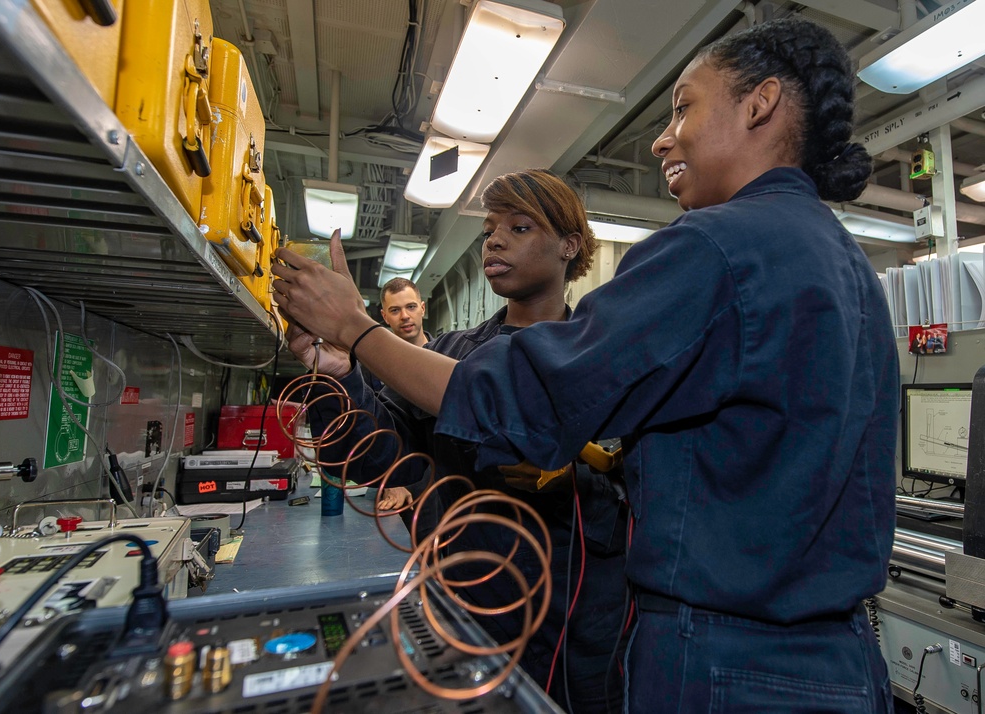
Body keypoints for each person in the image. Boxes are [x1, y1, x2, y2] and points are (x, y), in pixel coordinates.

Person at [273, 17, 898, 712]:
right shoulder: (849, 265)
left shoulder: (717, 246)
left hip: (721, 659)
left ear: (760, 103)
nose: (662, 136)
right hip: (837, 662)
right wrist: (345, 369)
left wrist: (357, 328)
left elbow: (528, 402)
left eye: (684, 106)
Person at [281, 170, 630, 713]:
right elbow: (375, 454)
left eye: (518, 226)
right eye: (489, 229)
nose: (493, 239)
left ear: (570, 246)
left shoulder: (605, 358)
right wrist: (335, 374)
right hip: (469, 605)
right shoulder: (448, 357)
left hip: (584, 624)